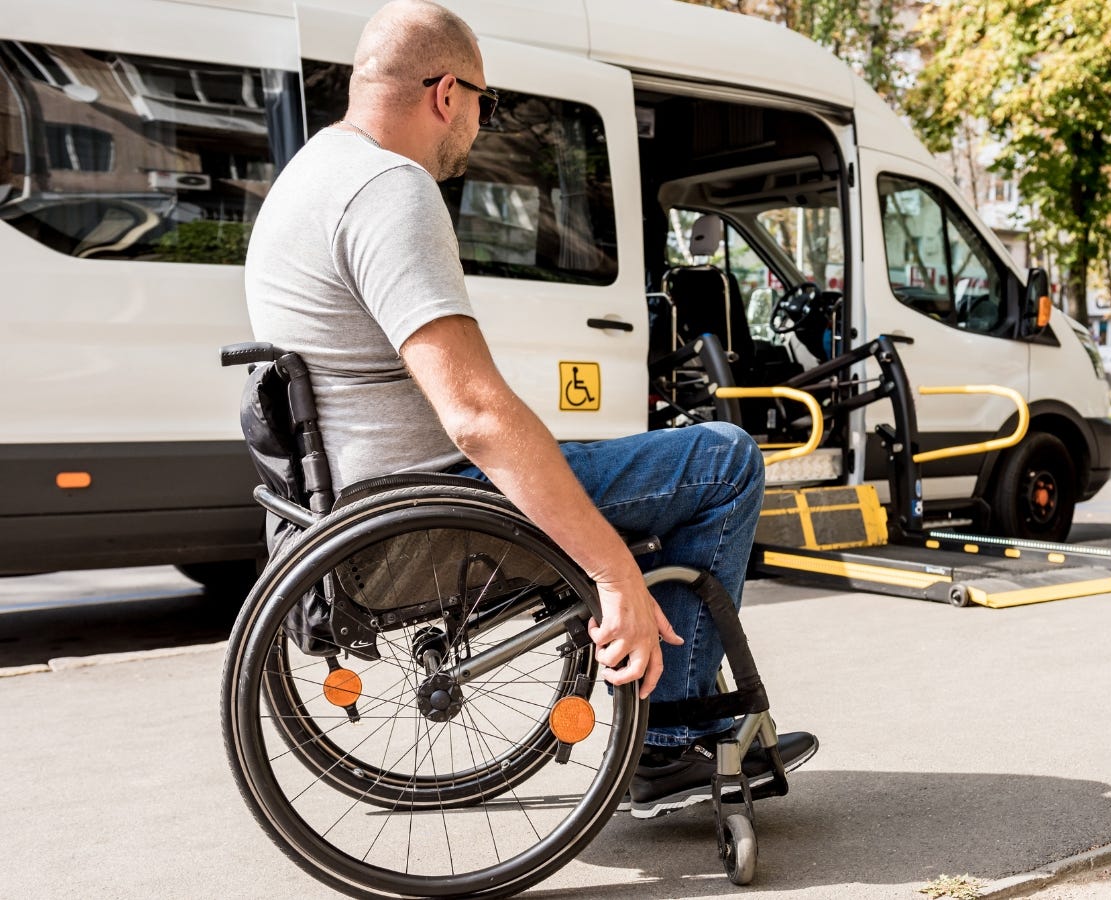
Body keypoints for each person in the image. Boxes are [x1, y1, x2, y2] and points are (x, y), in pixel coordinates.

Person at [243, 0, 816, 819]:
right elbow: (474, 413)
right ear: (447, 93)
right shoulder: (388, 189)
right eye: (486, 103)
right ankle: (668, 743)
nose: (481, 123)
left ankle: (669, 703)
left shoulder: (308, 177)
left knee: (598, 451)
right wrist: (612, 572)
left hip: (355, 506)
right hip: (432, 508)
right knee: (721, 457)